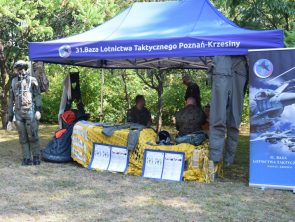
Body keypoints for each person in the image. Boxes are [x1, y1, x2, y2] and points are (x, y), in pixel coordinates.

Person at [208, 55, 248, 166]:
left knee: (234, 121)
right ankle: (214, 159)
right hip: (221, 64)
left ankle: (228, 160)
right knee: (218, 118)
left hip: (238, 67)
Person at [7, 60, 42, 166]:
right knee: (22, 137)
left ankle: (36, 157)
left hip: (30, 112)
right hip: (18, 114)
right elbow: (11, 100)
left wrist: (38, 110)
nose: (20, 71)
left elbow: (37, 96)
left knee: (33, 135)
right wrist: (9, 119)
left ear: (26, 69)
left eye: (22, 68)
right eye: (18, 69)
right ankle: (26, 158)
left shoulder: (32, 80)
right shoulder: (13, 82)